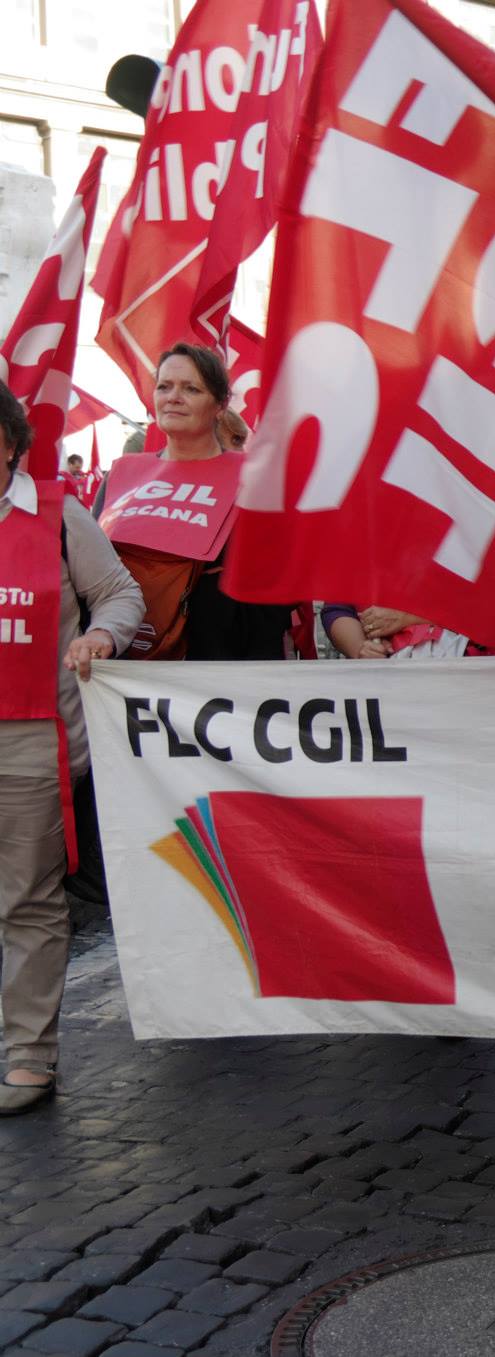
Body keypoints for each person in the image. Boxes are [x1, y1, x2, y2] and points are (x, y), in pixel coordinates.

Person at [0, 385, 144, 1114]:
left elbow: (121, 594)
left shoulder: (58, 514)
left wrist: (99, 634)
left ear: (7, 442)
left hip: (32, 739)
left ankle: (28, 1057)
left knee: (26, 899)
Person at [97, 345, 292, 660]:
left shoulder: (255, 478)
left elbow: (279, 587)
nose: (173, 397)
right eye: (164, 386)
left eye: (191, 388)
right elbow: (93, 571)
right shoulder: (122, 474)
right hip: (127, 667)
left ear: (219, 405)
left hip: (221, 670)